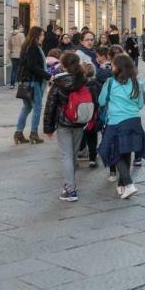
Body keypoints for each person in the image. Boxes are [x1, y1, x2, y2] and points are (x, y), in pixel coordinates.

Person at [97, 55, 145, 199]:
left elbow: (101, 101)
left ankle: (129, 183)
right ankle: (122, 185)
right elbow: (140, 105)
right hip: (134, 120)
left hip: (116, 122)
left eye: (113, 65)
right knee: (125, 151)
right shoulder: (137, 82)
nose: (111, 68)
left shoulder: (110, 82)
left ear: (118, 67)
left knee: (110, 151)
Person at [42, 52, 93, 202]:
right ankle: (68, 184)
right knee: (72, 154)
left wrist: (48, 128)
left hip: (64, 123)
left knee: (67, 156)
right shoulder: (84, 80)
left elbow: (50, 106)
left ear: (63, 65)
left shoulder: (58, 83)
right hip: (79, 122)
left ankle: (71, 190)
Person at [14, 27, 51, 144]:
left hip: (26, 81)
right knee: (37, 107)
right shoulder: (33, 48)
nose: (43, 37)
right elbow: (33, 66)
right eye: (41, 35)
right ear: (36, 36)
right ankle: (33, 134)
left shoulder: (26, 46)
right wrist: (48, 76)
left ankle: (18, 133)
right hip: (32, 82)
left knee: (27, 107)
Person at [8, 22, 26, 88]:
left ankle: (12, 84)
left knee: (14, 69)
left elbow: (9, 45)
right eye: (21, 27)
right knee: (20, 69)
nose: (23, 28)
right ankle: (20, 82)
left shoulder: (11, 35)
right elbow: (24, 45)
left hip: (13, 54)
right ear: (18, 27)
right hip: (20, 54)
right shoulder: (21, 35)